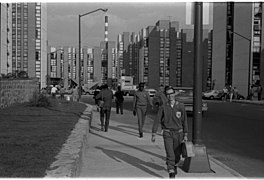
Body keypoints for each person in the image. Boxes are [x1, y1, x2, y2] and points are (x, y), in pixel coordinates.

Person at [151, 86, 188, 178]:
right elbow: (157, 119)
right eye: (168, 94)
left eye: (171, 94)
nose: (170, 96)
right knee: (170, 153)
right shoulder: (163, 107)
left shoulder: (180, 106)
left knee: (177, 154)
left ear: (174, 94)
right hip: (167, 133)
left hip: (179, 133)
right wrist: (154, 133)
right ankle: (171, 170)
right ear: (166, 96)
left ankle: (175, 165)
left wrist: (186, 134)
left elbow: (184, 120)